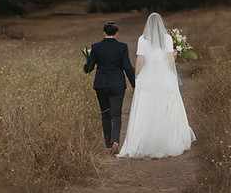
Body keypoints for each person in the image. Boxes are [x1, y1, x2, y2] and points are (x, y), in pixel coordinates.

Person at [116, 12, 195, 159]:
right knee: (167, 104)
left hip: (148, 74)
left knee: (146, 105)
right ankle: (170, 139)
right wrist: (174, 63)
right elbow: (170, 60)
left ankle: (143, 140)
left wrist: (136, 77)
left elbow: (139, 60)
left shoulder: (143, 39)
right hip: (164, 74)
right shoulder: (167, 38)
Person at [83, 19, 135, 155]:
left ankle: (108, 144)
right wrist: (134, 84)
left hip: (101, 84)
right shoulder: (122, 47)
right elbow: (127, 67)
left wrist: (87, 58)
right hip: (117, 84)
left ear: (104, 32)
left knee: (105, 114)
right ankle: (116, 141)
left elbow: (88, 69)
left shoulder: (96, 47)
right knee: (116, 114)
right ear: (117, 33)